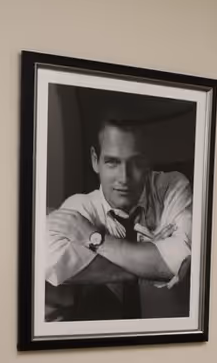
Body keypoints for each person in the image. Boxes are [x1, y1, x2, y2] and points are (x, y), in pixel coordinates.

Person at [43, 119, 192, 322]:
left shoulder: (171, 189)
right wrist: (153, 258)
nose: (124, 177)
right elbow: (51, 260)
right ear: (95, 160)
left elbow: (182, 259)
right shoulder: (80, 207)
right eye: (112, 162)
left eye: (136, 163)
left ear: (148, 162)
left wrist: (95, 239)